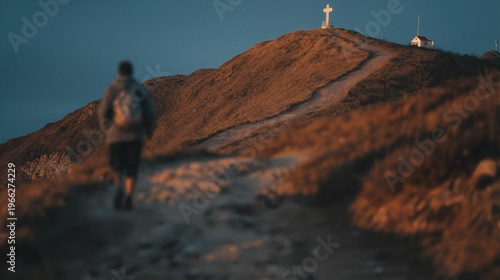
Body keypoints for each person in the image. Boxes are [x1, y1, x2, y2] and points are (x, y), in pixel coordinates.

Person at [98, 61, 155, 210]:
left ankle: (119, 188)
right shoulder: (139, 89)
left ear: (119, 73)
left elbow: (102, 112)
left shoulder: (112, 89)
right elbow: (149, 113)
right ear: (131, 72)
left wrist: (108, 129)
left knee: (117, 166)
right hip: (135, 136)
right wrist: (149, 132)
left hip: (115, 137)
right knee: (132, 167)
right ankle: (129, 196)